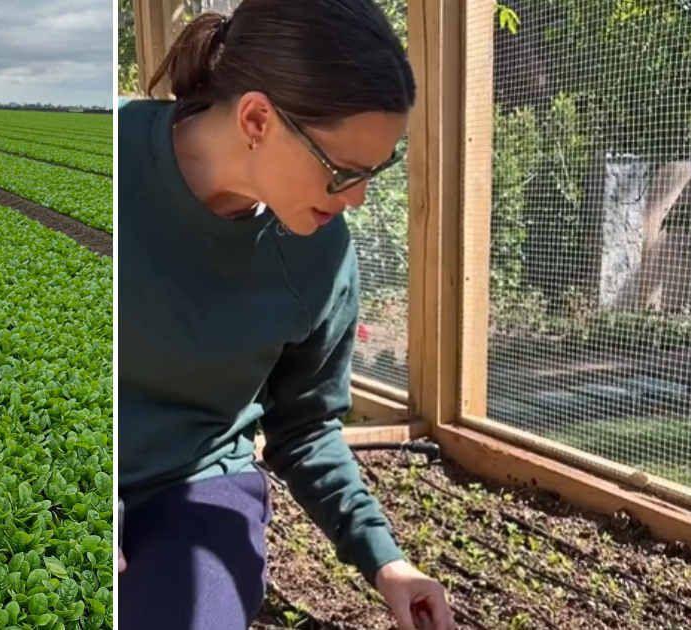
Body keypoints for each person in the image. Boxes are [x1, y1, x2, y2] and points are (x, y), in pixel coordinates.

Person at [117, 1, 455, 629]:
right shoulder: (111, 158)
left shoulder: (321, 256)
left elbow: (305, 428)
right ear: (256, 119)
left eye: (374, 172)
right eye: (341, 172)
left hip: (194, 489)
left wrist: (388, 562)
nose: (355, 198)